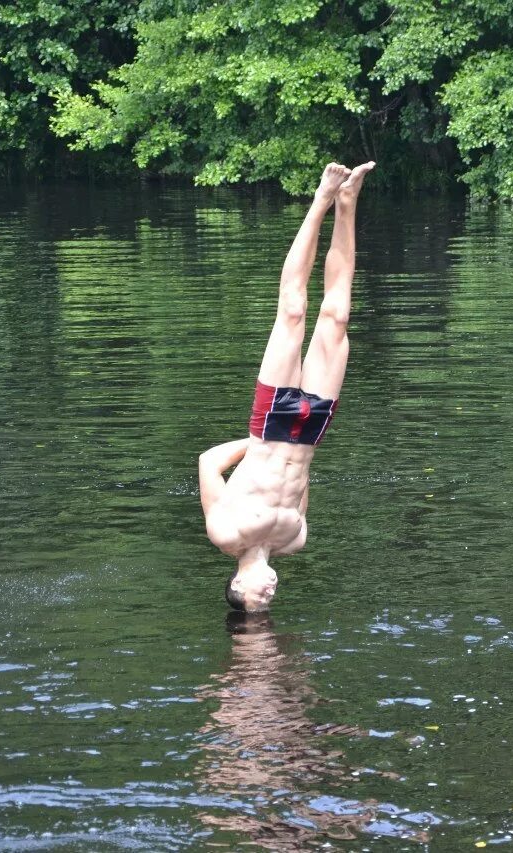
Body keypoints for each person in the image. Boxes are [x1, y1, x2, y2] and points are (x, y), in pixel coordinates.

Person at [199, 161, 374, 611]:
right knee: (337, 317)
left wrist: (257, 443)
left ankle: (321, 198)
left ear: (237, 589)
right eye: (269, 603)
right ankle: (349, 204)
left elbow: (209, 462)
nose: (269, 595)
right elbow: (303, 476)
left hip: (270, 426)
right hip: (310, 431)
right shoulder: (295, 540)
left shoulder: (225, 533)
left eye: (260, 599)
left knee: (293, 311)